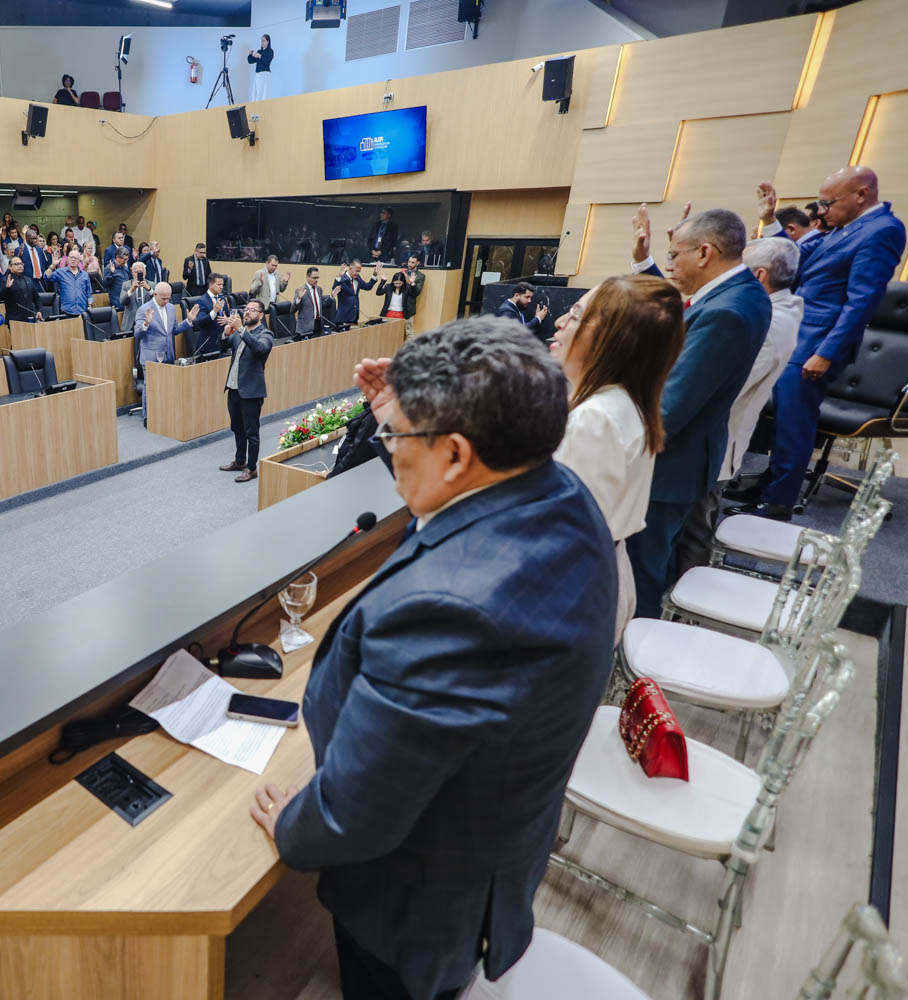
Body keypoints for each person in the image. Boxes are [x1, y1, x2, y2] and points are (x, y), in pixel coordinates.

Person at [249, 318, 615, 1000]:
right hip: (486, 841)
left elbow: (356, 814)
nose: (389, 450)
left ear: (455, 454)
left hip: (416, 900)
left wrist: (295, 829)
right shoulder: (557, 491)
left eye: (397, 438)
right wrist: (400, 413)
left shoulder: (451, 609)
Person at [735, 169, 906, 519]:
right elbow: (794, 258)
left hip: (816, 344)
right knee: (782, 421)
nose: (822, 210)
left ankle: (779, 502)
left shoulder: (882, 230)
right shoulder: (843, 228)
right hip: (798, 335)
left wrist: (826, 353)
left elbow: (862, 301)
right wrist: (769, 221)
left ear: (861, 194)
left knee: (794, 425)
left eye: (829, 202)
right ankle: (768, 486)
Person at [627, 205, 771, 617]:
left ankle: (634, 644)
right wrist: (647, 263)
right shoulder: (740, 292)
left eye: (674, 255)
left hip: (670, 465)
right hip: (691, 456)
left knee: (641, 570)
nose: (671, 263)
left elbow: (670, 409)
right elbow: (683, 314)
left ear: (705, 253)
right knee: (656, 559)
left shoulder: (725, 312)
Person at [551, 275, 684, 638]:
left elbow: (564, 532)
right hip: (599, 570)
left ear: (612, 339)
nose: (560, 322)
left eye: (575, 314)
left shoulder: (595, 418)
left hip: (571, 585)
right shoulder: (623, 401)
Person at [673, 237, 803, 572]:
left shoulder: (764, 322)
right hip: (716, 438)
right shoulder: (781, 309)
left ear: (759, 276)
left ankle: (686, 596)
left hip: (713, 442)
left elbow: (721, 389)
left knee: (693, 533)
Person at [218, 300, 274, 482]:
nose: (247, 312)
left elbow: (260, 348)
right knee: (237, 428)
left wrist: (241, 329)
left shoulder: (266, 334)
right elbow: (223, 345)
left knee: (251, 432)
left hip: (251, 391)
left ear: (261, 315)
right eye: (246, 309)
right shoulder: (239, 333)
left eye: (252, 310)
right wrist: (226, 333)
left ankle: (251, 468)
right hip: (234, 389)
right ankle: (240, 461)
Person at [133, 283, 196, 422]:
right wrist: (146, 324)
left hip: (168, 354)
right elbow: (137, 335)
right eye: (163, 298)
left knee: (168, 386)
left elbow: (174, 330)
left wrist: (188, 321)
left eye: (168, 298)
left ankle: (165, 414)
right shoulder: (144, 309)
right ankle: (148, 417)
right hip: (151, 357)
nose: (166, 301)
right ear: (155, 294)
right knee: (150, 387)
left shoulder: (171, 308)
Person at [191, 273, 231, 355]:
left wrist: (227, 320)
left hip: (223, 344)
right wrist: (214, 311)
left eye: (222, 284)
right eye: (219, 284)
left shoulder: (222, 298)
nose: (221, 287)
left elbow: (227, 316)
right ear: (210, 284)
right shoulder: (202, 301)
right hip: (209, 345)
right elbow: (201, 322)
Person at [0, 256, 46, 323]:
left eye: (21, 264)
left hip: (30, 318)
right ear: (10, 267)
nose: (20, 266)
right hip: (15, 320)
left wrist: (39, 311)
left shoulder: (28, 279)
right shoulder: (5, 280)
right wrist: (6, 288)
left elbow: (37, 298)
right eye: (16, 264)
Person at [376, 268, 419, 339]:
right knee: (387, 334)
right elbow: (378, 293)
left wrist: (412, 283)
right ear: (393, 281)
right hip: (388, 314)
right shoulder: (388, 287)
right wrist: (382, 281)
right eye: (396, 283)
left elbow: (414, 294)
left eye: (400, 283)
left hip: (401, 314)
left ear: (403, 282)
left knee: (399, 334)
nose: (398, 285)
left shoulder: (407, 288)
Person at [333, 260, 374, 328]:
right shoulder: (342, 278)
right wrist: (339, 277)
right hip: (343, 316)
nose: (357, 273)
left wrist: (374, 275)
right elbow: (334, 289)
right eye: (356, 271)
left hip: (354, 316)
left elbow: (367, 287)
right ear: (350, 268)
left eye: (359, 271)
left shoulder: (358, 278)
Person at [52, 250, 92, 317]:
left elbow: (89, 293)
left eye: (75, 258)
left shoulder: (85, 275)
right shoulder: (61, 272)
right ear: (68, 259)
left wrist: (90, 305)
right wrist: (53, 265)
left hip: (82, 311)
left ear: (79, 260)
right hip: (66, 312)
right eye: (71, 257)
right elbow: (46, 277)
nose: (73, 259)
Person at [118, 261, 154, 333]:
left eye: (141, 272)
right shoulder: (126, 285)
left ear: (145, 272)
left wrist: (149, 289)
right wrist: (132, 289)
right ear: (132, 273)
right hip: (131, 323)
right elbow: (122, 301)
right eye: (136, 272)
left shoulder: (152, 285)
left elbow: (158, 300)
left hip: (148, 321)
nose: (138, 274)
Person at [292, 267, 327, 339]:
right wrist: (299, 298)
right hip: (305, 328)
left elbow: (320, 306)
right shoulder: (300, 290)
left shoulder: (319, 289)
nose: (316, 280)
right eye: (314, 278)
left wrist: (332, 297)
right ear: (307, 277)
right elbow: (292, 310)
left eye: (318, 277)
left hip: (318, 325)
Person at [247, 34, 273, 101]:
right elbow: (250, 61)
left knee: (264, 94)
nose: (262, 42)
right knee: (257, 94)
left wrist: (260, 56)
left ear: (268, 42)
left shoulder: (270, 51)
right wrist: (250, 54)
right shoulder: (259, 51)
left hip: (265, 75)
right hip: (258, 76)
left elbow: (267, 62)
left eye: (263, 41)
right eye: (261, 41)